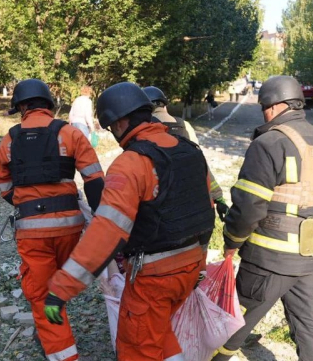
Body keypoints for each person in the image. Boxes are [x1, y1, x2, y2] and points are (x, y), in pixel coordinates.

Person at [46, 82, 216, 361]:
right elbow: (204, 210)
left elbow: (106, 234)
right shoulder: (189, 150)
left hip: (155, 278)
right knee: (159, 332)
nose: (114, 134)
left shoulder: (131, 163)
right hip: (191, 268)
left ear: (122, 122)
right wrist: (200, 263)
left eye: (112, 127)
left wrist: (61, 289)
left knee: (136, 347)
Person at [212, 76, 313, 361]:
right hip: (312, 257)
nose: (264, 114)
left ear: (273, 107)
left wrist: (232, 241)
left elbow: (248, 207)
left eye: (264, 107)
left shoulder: (268, 143)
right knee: (311, 326)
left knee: (233, 324)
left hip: (269, 259)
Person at [0, 79, 105, 361]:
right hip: (70, 227)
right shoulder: (69, 133)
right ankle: (52, 327)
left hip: (32, 232)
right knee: (58, 283)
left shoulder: (10, 139)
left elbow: (4, 187)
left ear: (21, 106)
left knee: (42, 294)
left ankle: (61, 350)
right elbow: (94, 180)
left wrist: (29, 206)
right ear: (49, 104)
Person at [142, 85, 228, 222]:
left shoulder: (143, 132)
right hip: (194, 208)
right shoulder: (184, 126)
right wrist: (218, 197)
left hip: (160, 212)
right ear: (165, 105)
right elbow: (201, 163)